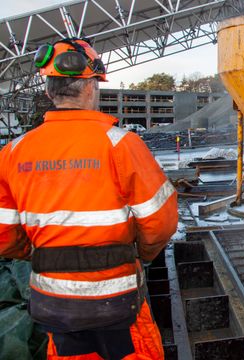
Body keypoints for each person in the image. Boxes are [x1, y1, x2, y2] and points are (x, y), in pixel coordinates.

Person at [0, 38, 177, 359]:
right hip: (117, 304)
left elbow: (4, 236)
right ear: (91, 87)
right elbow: (160, 222)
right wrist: (142, 253)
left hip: (54, 305)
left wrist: (46, 255)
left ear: (49, 91)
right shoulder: (120, 144)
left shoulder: (13, 152)